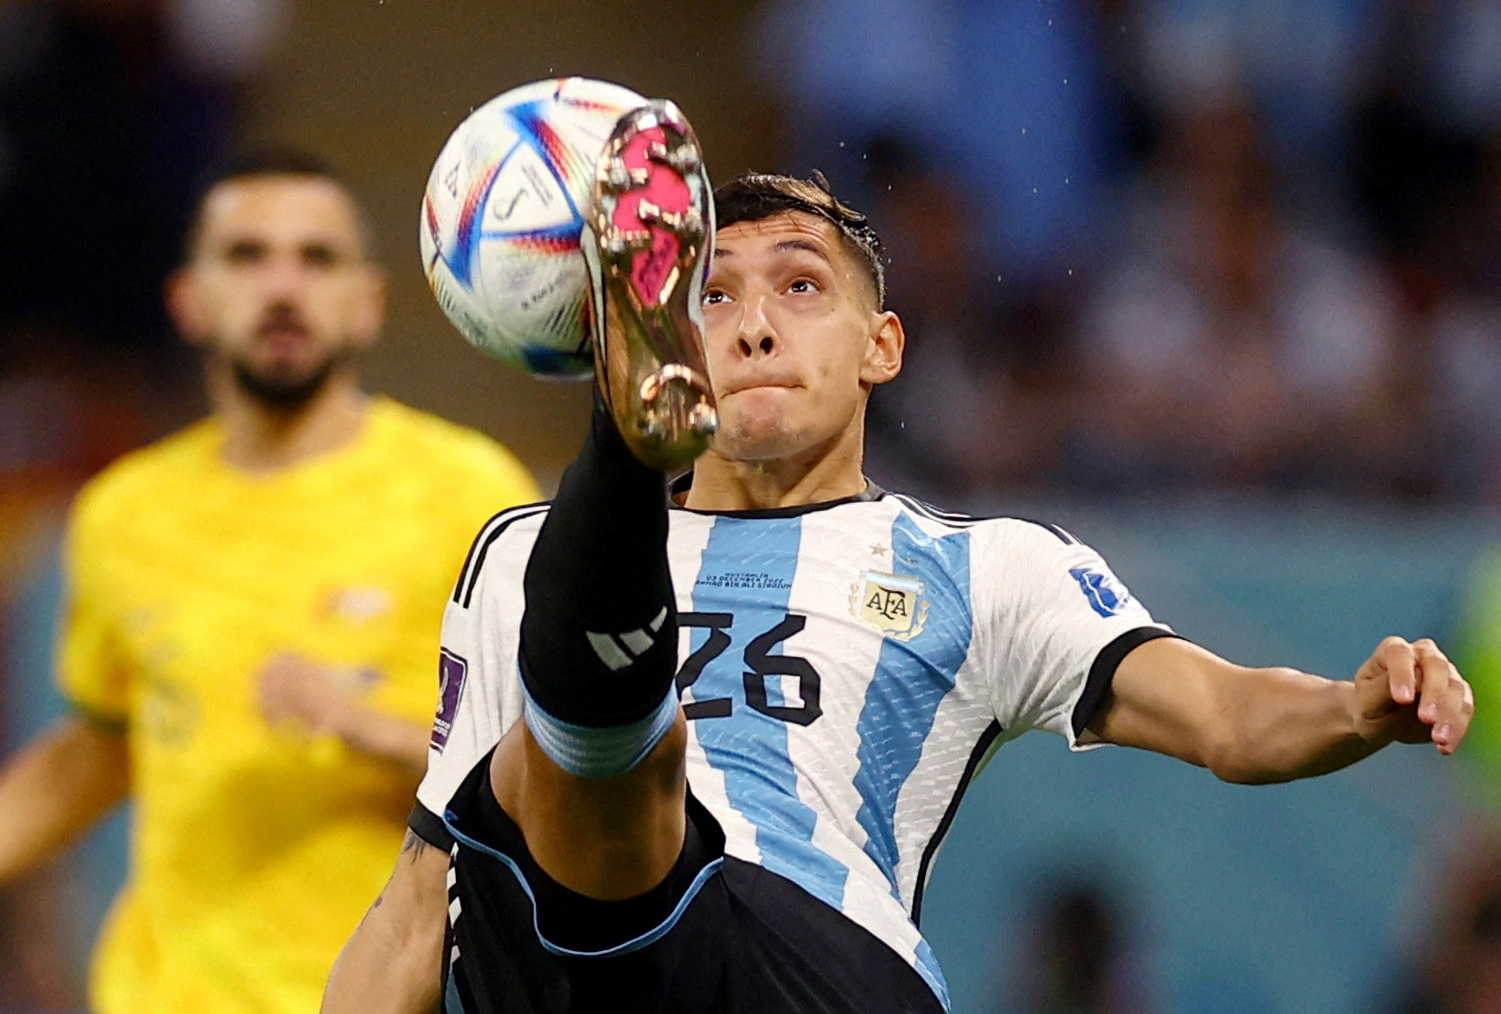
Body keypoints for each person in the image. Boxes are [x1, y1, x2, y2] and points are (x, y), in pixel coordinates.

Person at [322, 100, 1474, 1014]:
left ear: (881, 347)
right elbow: (420, 899)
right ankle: (622, 500)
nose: (754, 325)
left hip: (813, 967)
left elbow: (1221, 714)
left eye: (800, 286)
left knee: (599, 755)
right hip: (566, 957)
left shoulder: (982, 568)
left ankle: (620, 452)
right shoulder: (517, 555)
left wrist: (1351, 706)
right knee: (526, 786)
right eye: (708, 294)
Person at [0, 148, 541, 1014]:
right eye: (247, 255)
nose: (283, 287)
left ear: (368, 304)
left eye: (316, 258)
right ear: (188, 299)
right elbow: (103, 745)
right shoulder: (120, 513)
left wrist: (370, 728)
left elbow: (557, 769)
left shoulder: (472, 497)